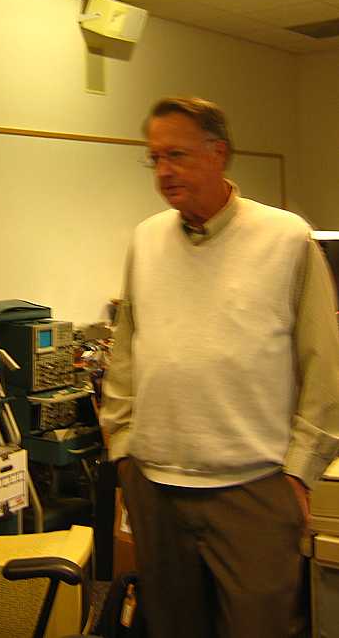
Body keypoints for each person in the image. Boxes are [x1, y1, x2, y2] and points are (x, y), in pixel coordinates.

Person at [100, 96, 339, 638]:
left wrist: (298, 473)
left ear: (219, 154)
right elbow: (127, 350)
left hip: (253, 491)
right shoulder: (146, 239)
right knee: (171, 627)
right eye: (155, 158)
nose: (163, 171)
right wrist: (123, 448)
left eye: (177, 155)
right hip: (156, 487)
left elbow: (324, 366)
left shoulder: (286, 238)